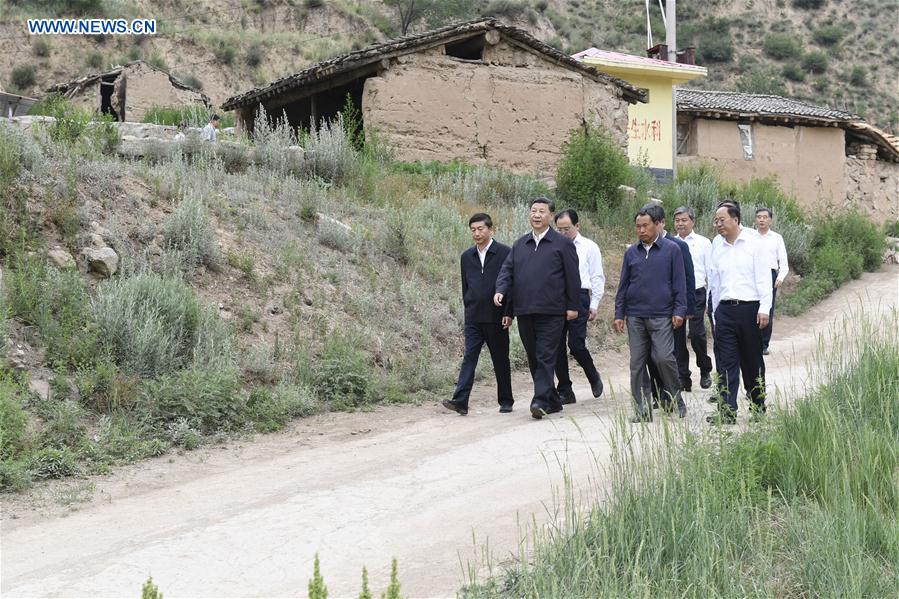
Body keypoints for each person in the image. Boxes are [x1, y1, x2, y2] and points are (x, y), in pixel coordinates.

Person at [494, 197, 580, 420]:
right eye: (533, 211)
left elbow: (573, 278)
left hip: (552, 311)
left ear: (550, 216)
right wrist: (501, 290)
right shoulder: (520, 244)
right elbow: (507, 271)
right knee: (533, 356)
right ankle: (552, 400)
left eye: (542, 211)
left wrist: (573, 306)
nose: (537, 215)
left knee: (545, 355)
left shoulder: (562, 244)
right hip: (525, 309)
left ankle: (540, 400)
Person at [613, 205, 688, 422]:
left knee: (664, 358)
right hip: (635, 316)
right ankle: (642, 410)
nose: (641, 230)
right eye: (638, 226)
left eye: (646, 225)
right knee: (637, 364)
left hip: (662, 315)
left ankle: (676, 397)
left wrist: (679, 310)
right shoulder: (631, 252)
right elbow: (623, 285)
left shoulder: (671, 250)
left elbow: (679, 283)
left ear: (657, 224)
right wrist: (619, 314)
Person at [707, 201, 772, 425]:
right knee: (726, 362)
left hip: (750, 310)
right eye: (716, 221)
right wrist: (715, 314)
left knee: (752, 362)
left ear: (735, 219)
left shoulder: (754, 242)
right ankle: (727, 411)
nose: (718, 225)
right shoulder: (718, 247)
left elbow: (764, 278)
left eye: (721, 220)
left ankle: (758, 406)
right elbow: (715, 284)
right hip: (724, 311)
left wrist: (765, 309)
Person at [443, 213, 514, 415]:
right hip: (474, 318)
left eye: (481, 229)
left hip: (497, 316)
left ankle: (506, 400)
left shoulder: (505, 253)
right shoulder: (466, 257)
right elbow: (465, 286)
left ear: (491, 229)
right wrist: (468, 309)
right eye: (473, 230)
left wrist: (509, 312)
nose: (477, 233)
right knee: (469, 357)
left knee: (500, 359)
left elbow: (511, 284)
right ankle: (461, 400)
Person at [643, 204, 695, 402]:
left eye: (651, 224)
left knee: (673, 350)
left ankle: (678, 384)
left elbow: (688, 278)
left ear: (661, 223)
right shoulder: (642, 245)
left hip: (674, 308)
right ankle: (658, 393)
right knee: (652, 354)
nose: (645, 229)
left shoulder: (678, 246)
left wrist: (687, 308)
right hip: (650, 310)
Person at [552, 208, 605, 403]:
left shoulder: (589, 246)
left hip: (580, 296)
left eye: (566, 228)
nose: (563, 233)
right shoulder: (554, 245)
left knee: (575, 344)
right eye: (559, 229)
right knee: (556, 345)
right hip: (557, 298)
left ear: (577, 225)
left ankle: (593, 376)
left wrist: (594, 303)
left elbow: (597, 275)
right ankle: (565, 389)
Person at [673, 205, 714, 389]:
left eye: (684, 220)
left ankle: (705, 370)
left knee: (697, 335)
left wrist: (709, 299)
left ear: (692, 221)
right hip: (676, 295)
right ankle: (683, 377)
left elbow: (710, 272)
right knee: (677, 338)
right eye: (677, 220)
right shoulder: (670, 243)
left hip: (697, 293)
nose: (680, 224)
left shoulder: (704, 243)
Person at [755, 208, 789, 355]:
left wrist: (780, 278)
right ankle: (752, 341)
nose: (761, 220)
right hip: (753, 275)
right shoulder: (750, 236)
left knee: (767, 309)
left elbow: (783, 261)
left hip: (770, 275)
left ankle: (763, 344)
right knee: (752, 307)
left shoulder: (776, 238)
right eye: (759, 217)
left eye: (764, 217)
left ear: (770, 220)